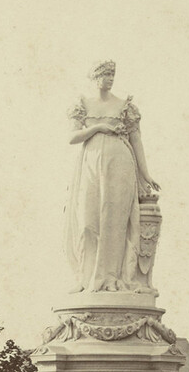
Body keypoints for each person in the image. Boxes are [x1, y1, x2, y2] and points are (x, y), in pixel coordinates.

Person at [64, 60, 160, 293]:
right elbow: (72, 137)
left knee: (115, 222)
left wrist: (145, 174)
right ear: (95, 77)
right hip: (90, 165)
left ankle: (112, 277)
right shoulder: (83, 104)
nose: (110, 79)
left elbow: (136, 140)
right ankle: (86, 278)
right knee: (88, 222)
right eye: (105, 75)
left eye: (112, 75)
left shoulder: (124, 106)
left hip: (120, 164)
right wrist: (98, 128)